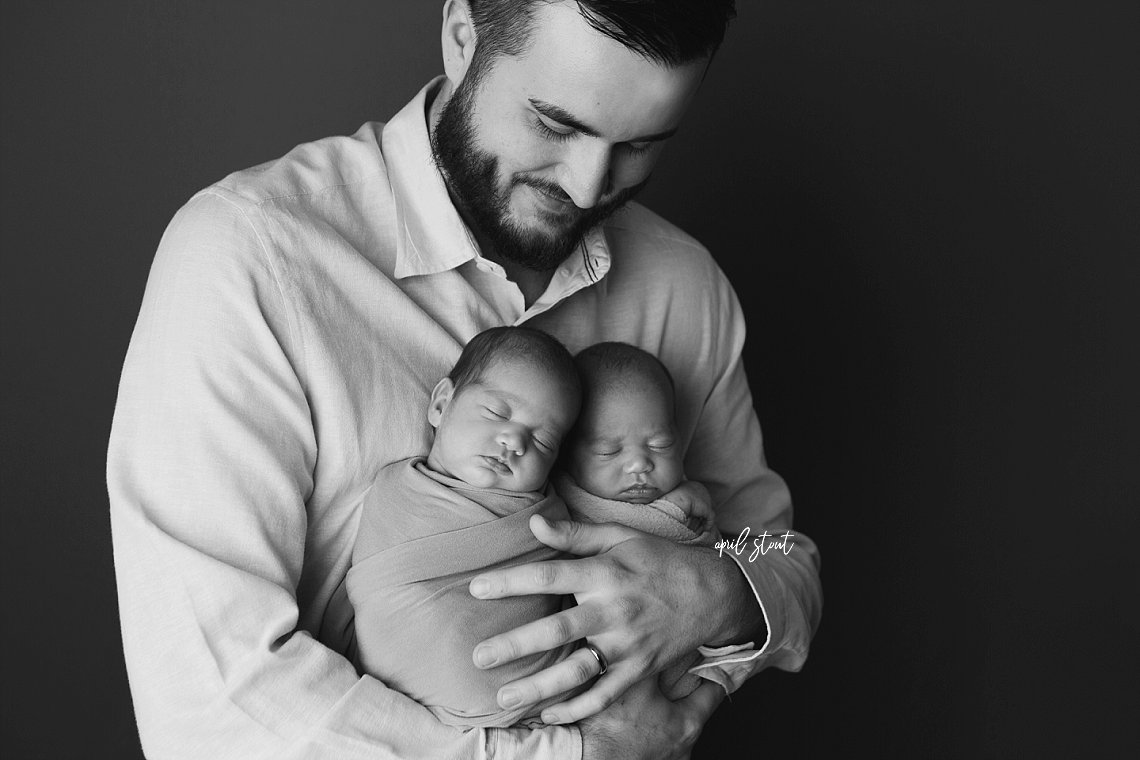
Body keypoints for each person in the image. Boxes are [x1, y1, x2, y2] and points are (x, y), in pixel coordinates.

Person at [107, 1, 823, 758]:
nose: (587, 188)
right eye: (555, 124)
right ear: (461, 36)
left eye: (640, 145)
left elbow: (783, 555)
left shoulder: (684, 287)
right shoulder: (250, 259)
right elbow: (211, 706)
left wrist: (723, 592)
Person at [347, 329, 737, 731]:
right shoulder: (396, 492)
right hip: (430, 723)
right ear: (441, 404)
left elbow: (623, 549)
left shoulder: (547, 508)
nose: (514, 440)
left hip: (552, 708)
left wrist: (672, 521)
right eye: (497, 413)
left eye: (543, 441)